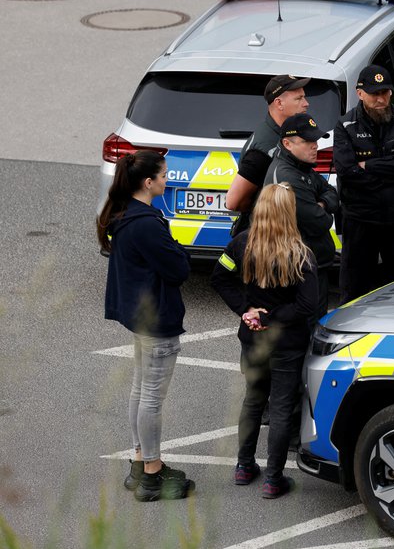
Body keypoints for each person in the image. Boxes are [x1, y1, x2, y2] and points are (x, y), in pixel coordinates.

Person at [96, 150, 195, 502]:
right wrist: (179, 250)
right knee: (151, 398)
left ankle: (140, 462)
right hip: (157, 322)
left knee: (141, 391)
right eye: (164, 175)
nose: (168, 180)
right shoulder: (147, 225)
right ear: (148, 182)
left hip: (138, 319)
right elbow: (180, 269)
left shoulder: (124, 215)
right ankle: (152, 474)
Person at [211, 183, 318, 499]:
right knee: (283, 408)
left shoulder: (241, 245)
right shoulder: (300, 254)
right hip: (287, 344)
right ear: (289, 213)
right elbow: (307, 305)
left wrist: (247, 312)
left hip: (253, 341)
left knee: (253, 401)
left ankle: (243, 466)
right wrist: (271, 318)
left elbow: (220, 277)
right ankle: (274, 479)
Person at [333, 64, 394, 303]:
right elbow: (347, 171)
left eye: (385, 92)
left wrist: (371, 166)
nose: (381, 98)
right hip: (361, 220)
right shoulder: (345, 126)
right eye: (374, 94)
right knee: (354, 291)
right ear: (360, 93)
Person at [265, 113, 338, 318]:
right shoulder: (288, 176)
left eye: (315, 140)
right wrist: (326, 210)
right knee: (307, 328)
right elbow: (320, 222)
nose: (314, 146)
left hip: (313, 264)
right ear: (287, 143)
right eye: (307, 141)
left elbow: (332, 194)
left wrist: (322, 203)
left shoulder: (303, 168)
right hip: (298, 269)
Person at [226, 74, 311, 236]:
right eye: (299, 99)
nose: (306, 104)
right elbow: (233, 202)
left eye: (304, 97)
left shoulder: (285, 135)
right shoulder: (264, 148)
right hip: (266, 237)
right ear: (279, 103)